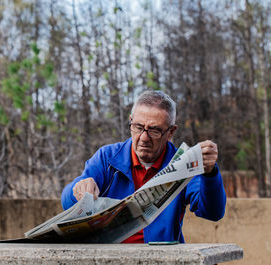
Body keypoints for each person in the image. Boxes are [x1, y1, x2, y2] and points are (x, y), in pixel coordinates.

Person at [61, 90, 226, 243]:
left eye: (154, 131)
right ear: (131, 121)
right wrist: (78, 188)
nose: (144, 138)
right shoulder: (108, 158)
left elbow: (213, 213)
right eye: (138, 127)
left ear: (171, 132)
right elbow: (68, 203)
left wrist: (210, 174)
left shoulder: (182, 163)